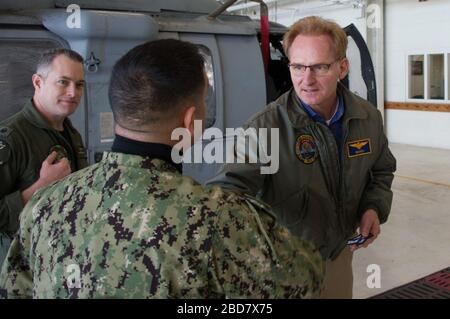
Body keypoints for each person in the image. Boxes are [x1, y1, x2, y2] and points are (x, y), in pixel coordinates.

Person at [0, 39, 324, 299]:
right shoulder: (216, 217)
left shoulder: (44, 205)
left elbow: (16, 287)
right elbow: (304, 278)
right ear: (189, 121)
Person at [208, 16, 397, 298]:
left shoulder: (367, 118)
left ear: (342, 68)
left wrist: (373, 207)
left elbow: (381, 171)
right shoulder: (264, 128)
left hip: (338, 256)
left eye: (319, 67)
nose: (306, 79)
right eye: (298, 66)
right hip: (282, 267)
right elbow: (229, 192)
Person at [0, 48, 88, 267]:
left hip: (62, 262)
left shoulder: (70, 133)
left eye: (79, 85)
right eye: (63, 82)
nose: (72, 93)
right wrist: (42, 186)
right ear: (38, 82)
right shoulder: (12, 139)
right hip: (23, 273)